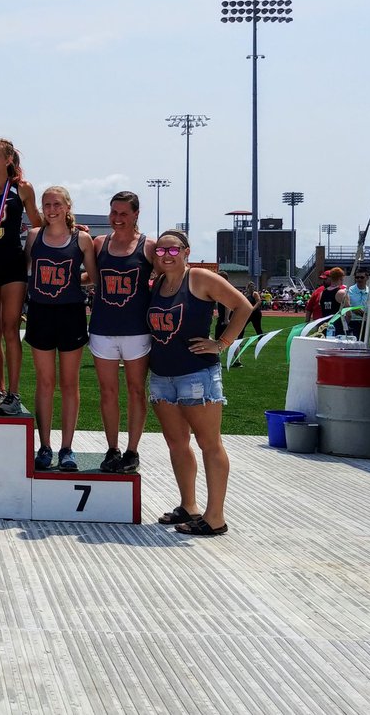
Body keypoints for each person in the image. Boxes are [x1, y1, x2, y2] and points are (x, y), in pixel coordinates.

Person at [148, 229, 253, 536]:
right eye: (161, 251)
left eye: (173, 250)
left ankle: (215, 516)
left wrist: (221, 343)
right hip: (163, 375)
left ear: (186, 252)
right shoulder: (157, 284)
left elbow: (243, 306)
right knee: (177, 443)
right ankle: (189, 506)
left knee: (209, 443)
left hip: (197, 374)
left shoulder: (201, 279)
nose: (167, 256)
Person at [25, 186, 98, 472]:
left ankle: (67, 448)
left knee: (69, 384)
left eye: (57, 204)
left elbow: (92, 277)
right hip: (41, 312)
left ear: (68, 206)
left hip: (71, 314)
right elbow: (26, 272)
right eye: (46, 204)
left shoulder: (82, 240)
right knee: (44, 383)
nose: (51, 209)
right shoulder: (34, 236)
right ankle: (44, 446)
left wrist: (69, 278)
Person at [87, 190, 155, 473]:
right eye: (114, 212)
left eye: (124, 213)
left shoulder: (149, 246)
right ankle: (112, 448)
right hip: (103, 328)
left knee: (136, 391)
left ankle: (132, 450)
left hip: (137, 330)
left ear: (136, 214)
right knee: (107, 392)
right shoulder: (99, 243)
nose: (117, 218)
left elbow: (168, 279)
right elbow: (90, 276)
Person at [0, 138, 40, 415]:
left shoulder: (22, 189)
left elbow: (37, 221)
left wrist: (69, 225)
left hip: (13, 264)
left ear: (8, 159)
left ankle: (14, 393)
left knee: (10, 329)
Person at [346, 271, 370, 340]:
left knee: (366, 345)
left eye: (362, 277)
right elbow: (344, 307)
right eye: (357, 277)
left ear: (367, 278)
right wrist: (352, 309)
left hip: (366, 323)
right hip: (352, 322)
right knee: (352, 345)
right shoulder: (349, 290)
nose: (359, 279)